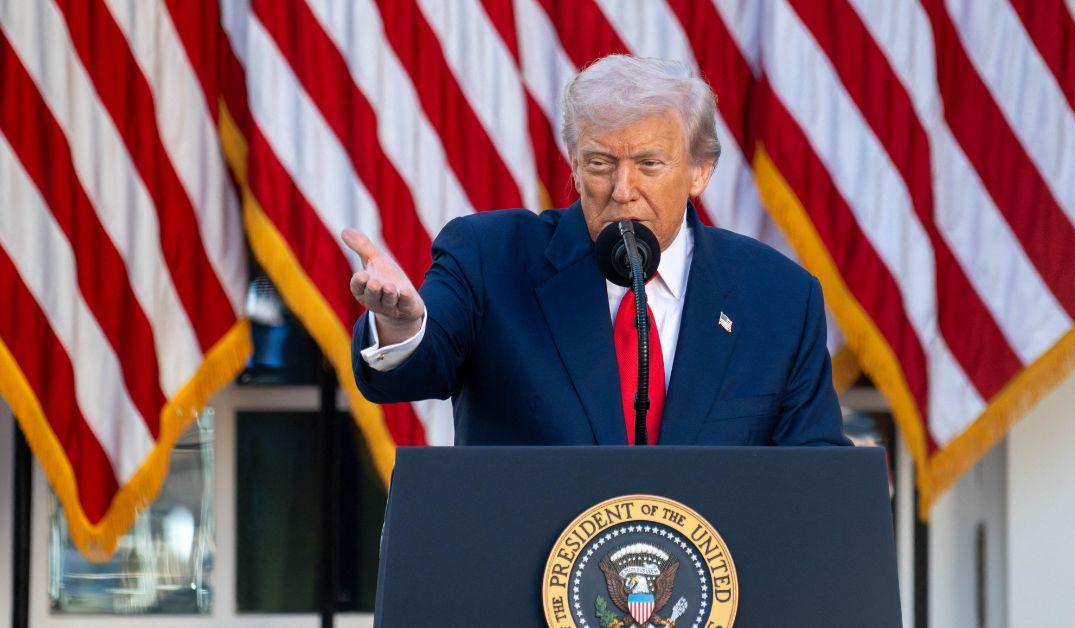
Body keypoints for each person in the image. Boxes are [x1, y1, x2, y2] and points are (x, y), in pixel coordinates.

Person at [343, 55, 849, 447]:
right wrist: (402, 327)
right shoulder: (490, 258)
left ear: (699, 172)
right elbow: (411, 373)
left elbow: (815, 473)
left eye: (649, 164)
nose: (622, 190)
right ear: (575, 167)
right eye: (601, 163)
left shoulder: (778, 296)